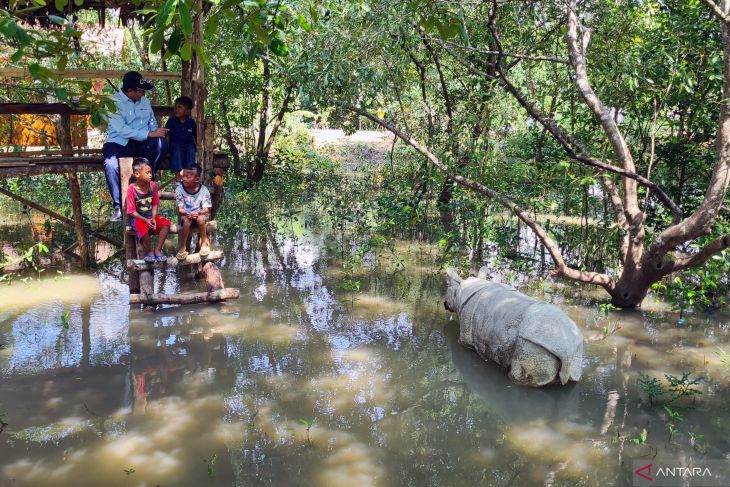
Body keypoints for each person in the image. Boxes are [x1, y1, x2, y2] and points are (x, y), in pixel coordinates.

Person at [103, 71, 168, 221]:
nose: (143, 94)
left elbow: (152, 122)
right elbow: (122, 130)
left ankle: (147, 181)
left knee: (161, 144)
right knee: (110, 164)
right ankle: (119, 207)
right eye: (140, 91)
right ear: (129, 91)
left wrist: (156, 132)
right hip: (118, 142)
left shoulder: (144, 102)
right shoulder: (113, 102)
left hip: (141, 142)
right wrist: (148, 134)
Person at [127, 158, 171, 263]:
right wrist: (146, 220)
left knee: (166, 223)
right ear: (137, 174)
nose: (150, 175)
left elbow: (155, 204)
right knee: (140, 226)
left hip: (151, 217)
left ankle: (158, 250)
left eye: (151, 172)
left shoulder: (153, 186)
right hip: (139, 218)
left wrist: (154, 218)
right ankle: (149, 251)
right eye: (147, 173)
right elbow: (131, 211)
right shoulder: (131, 189)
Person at [175, 163, 212, 260]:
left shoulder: (204, 190)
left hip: (199, 215)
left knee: (200, 219)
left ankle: (204, 243)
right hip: (186, 216)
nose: (184, 179)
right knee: (187, 220)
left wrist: (198, 213)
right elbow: (181, 209)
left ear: (197, 179)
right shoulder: (179, 189)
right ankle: (183, 247)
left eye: (188, 177)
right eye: (183, 176)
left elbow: (206, 209)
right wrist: (187, 213)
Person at [165, 96, 197, 179]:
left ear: (187, 111)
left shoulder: (191, 122)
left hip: (188, 144)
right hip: (175, 144)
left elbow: (196, 135)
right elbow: (167, 135)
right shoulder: (171, 121)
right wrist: (166, 148)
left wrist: (198, 147)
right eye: (175, 107)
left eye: (179, 107)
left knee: (191, 149)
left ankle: (189, 175)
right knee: (177, 149)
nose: (176, 109)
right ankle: (178, 177)